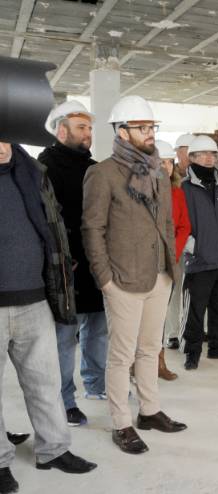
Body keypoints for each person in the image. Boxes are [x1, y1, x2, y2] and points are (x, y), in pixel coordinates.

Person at [82, 95, 187, 455]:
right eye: (142, 127)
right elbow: (92, 229)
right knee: (121, 356)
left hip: (159, 275)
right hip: (123, 279)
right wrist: (105, 279)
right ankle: (121, 423)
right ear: (122, 132)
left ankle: (150, 411)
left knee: (150, 348)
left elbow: (166, 222)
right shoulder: (102, 173)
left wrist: (170, 268)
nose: (149, 132)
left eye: (152, 126)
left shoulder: (158, 171)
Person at [0, 141, 97, 492]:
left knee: (45, 382)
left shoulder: (33, 173)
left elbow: (54, 228)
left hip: (36, 298)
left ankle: (53, 449)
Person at [38, 100, 108, 429]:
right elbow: (43, 220)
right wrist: (61, 259)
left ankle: (96, 383)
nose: (88, 133)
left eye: (89, 128)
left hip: (97, 263)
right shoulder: (44, 167)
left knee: (98, 328)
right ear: (61, 131)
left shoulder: (94, 167)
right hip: (66, 268)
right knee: (64, 338)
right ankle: (65, 401)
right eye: (81, 128)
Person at [180, 135, 218, 370]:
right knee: (196, 310)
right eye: (203, 154)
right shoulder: (185, 188)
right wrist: (193, 247)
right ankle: (192, 351)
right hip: (200, 261)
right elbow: (178, 223)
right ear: (192, 158)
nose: (208, 158)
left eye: (212, 154)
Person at [155, 140, 188, 380]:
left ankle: (159, 362)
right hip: (146, 263)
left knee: (160, 313)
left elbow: (184, 226)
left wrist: (172, 254)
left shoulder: (177, 192)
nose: (166, 166)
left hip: (169, 262)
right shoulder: (140, 192)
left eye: (169, 162)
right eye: (161, 162)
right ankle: (137, 364)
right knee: (144, 317)